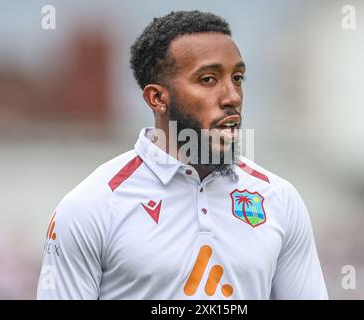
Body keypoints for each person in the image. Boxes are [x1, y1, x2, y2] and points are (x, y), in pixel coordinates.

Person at [37, 10, 328, 299]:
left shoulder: (280, 199)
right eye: (208, 79)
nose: (233, 97)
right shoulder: (90, 207)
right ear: (157, 98)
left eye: (237, 78)